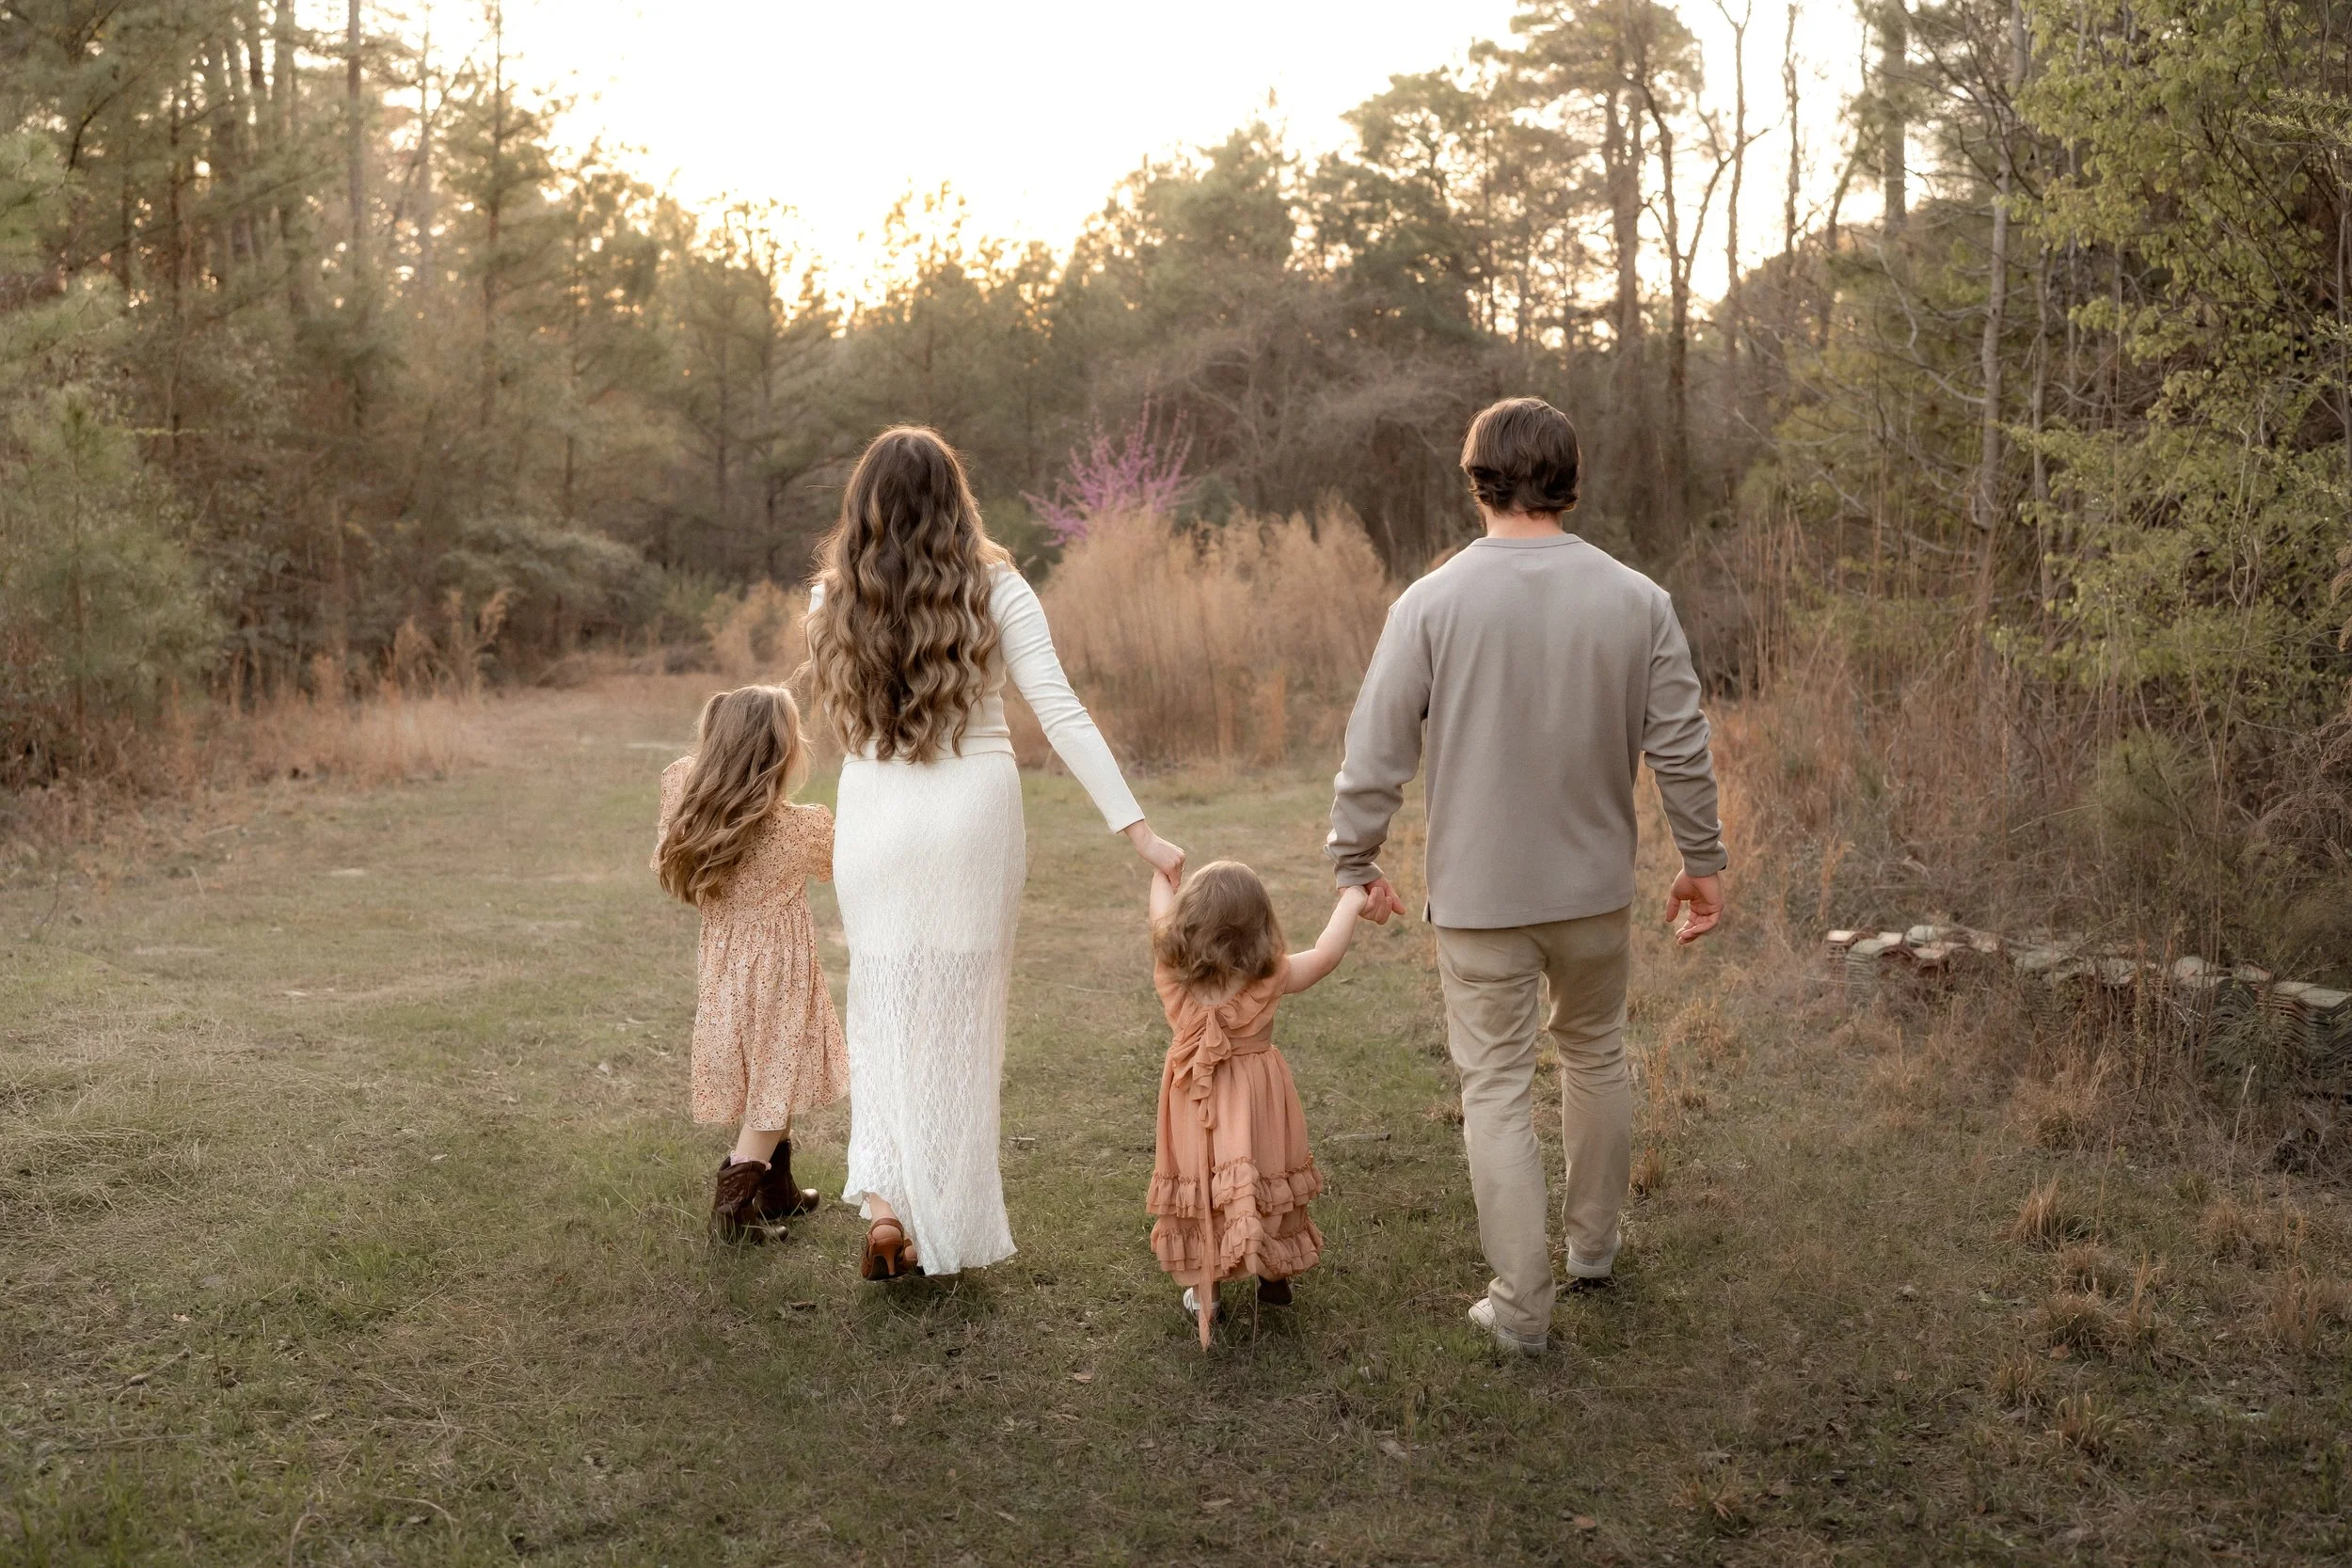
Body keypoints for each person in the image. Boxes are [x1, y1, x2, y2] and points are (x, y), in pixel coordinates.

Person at [1327, 396, 1727, 1355]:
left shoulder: (1428, 602)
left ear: (1476, 481)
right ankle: (1592, 1250)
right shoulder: (1639, 599)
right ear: (1569, 479)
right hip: (1593, 893)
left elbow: (1374, 747)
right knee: (1596, 1054)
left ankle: (1520, 1305)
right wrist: (1702, 862)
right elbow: (1682, 747)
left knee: (1496, 1088)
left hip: (1480, 900)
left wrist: (1355, 856)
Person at [804, 426, 1185, 1282]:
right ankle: (944, 1221)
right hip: (971, 812)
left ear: (863, 503)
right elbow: (1061, 713)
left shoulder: (830, 601)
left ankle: (888, 1210)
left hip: (875, 815)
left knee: (883, 1007)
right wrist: (1140, 831)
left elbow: (851, 726)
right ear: (955, 498)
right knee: (959, 1020)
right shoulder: (998, 587)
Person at [653, 685, 846, 1242]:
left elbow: (694, 766)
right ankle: (733, 1215)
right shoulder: (801, 826)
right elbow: (835, 868)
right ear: (781, 752)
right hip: (780, 973)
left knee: (768, 1072)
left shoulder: (686, 796)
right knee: (773, 1078)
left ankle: (777, 1190)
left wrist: (734, 731)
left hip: (724, 965)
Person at [1145, 862, 1365, 1347]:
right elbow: (1326, 956)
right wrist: (1352, 899)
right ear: (1260, 926)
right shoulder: (1270, 977)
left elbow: (1160, 913)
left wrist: (1162, 870)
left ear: (1187, 923)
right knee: (1263, 1174)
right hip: (1256, 1099)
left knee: (1206, 1181)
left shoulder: (1173, 973)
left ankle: (1210, 1296)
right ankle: (1272, 1267)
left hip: (1193, 1102)